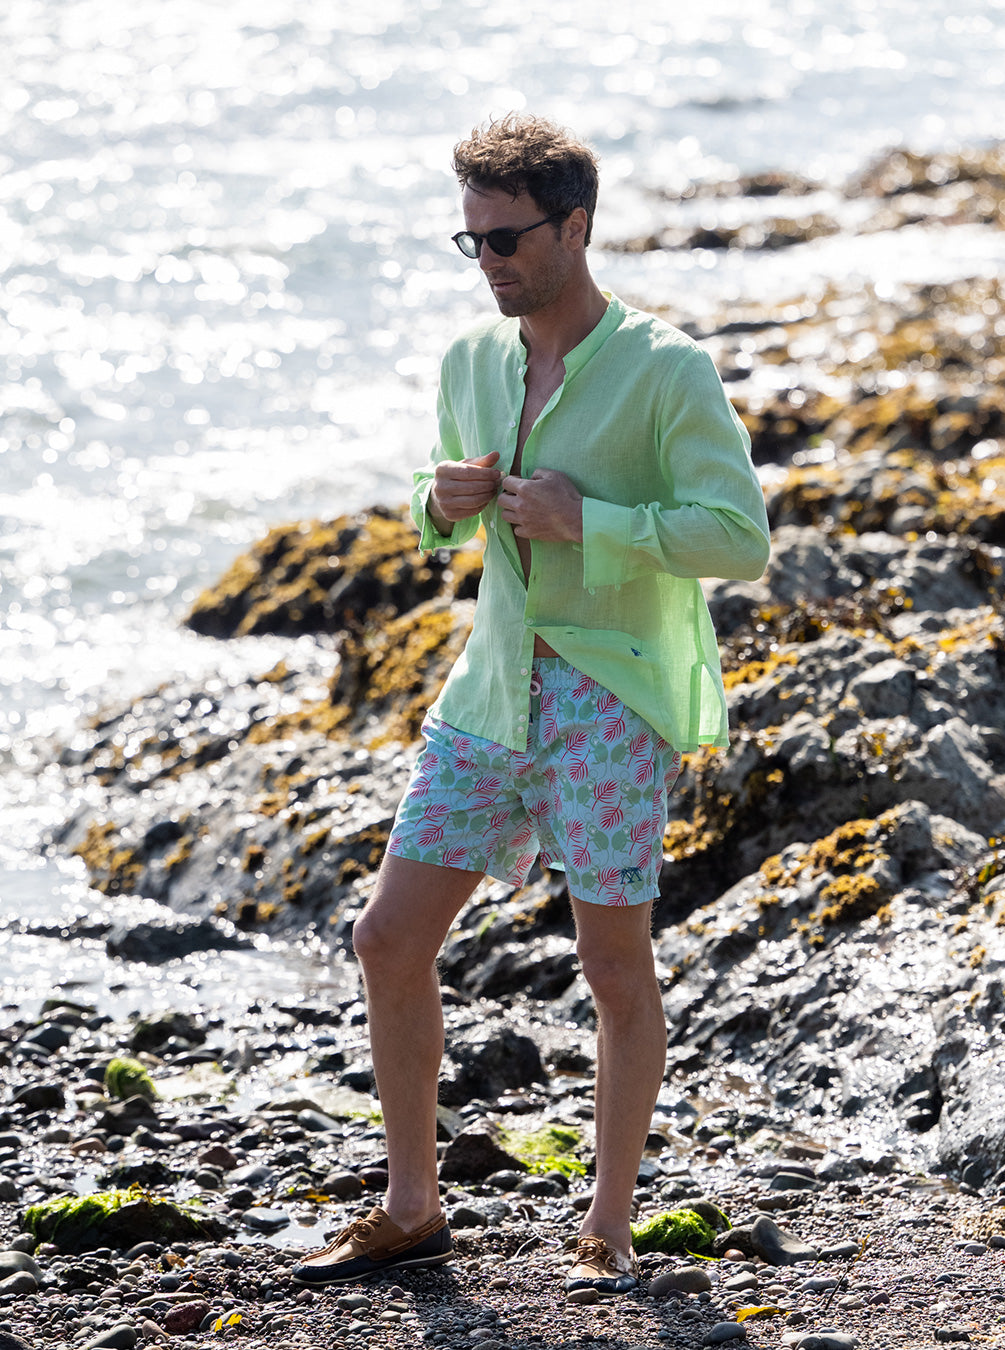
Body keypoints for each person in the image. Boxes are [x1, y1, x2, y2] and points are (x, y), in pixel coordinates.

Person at [293, 113, 770, 1296]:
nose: (492, 260)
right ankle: (412, 1206)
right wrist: (439, 499)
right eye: (473, 241)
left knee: (612, 967)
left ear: (576, 226)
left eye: (508, 238)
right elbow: (442, 510)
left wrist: (590, 520)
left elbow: (740, 540)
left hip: (611, 699)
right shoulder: (470, 363)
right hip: (489, 690)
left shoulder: (668, 371)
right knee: (388, 938)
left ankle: (607, 1225)